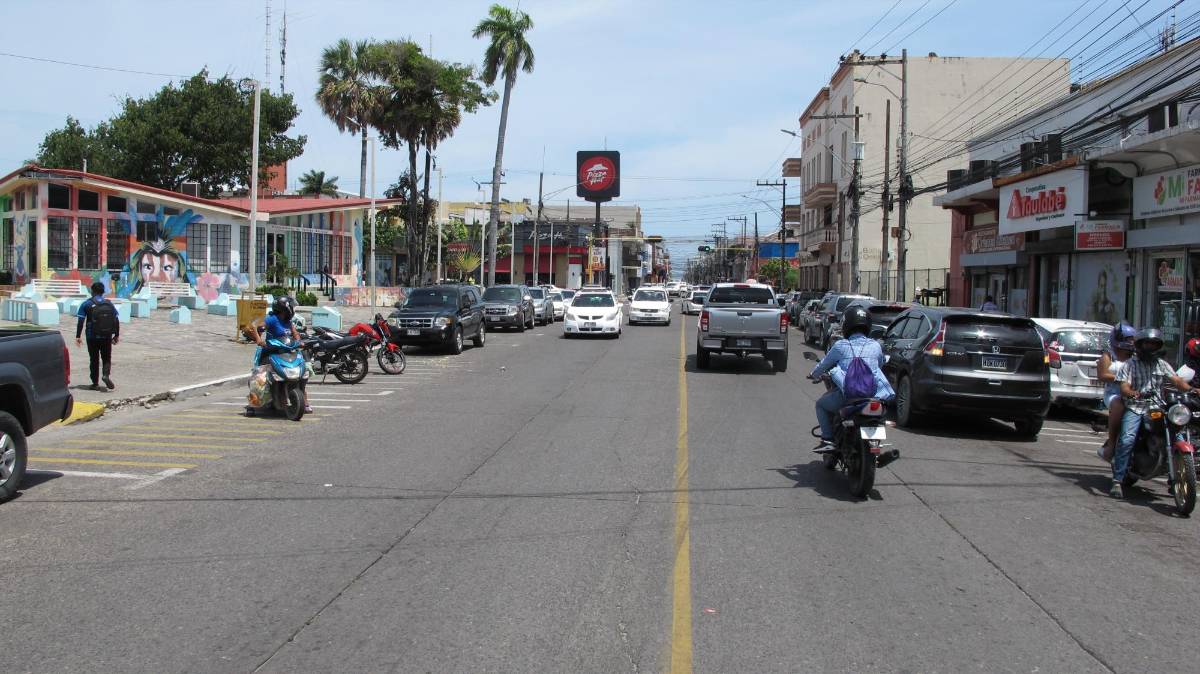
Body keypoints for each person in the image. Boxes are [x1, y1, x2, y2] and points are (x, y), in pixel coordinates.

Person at [1111, 327, 1193, 498]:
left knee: (1178, 435)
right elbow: (1124, 387)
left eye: (1154, 344)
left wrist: (1192, 389)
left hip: (1158, 406)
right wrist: (1133, 392)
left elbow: (1177, 380)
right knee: (1127, 439)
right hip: (1136, 406)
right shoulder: (1129, 364)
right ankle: (1117, 480)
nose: (1151, 347)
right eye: (1147, 343)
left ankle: (1176, 479)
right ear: (1140, 345)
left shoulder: (1161, 364)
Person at [809, 306, 895, 453]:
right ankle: (875, 445)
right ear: (867, 325)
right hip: (873, 396)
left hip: (848, 396)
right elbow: (879, 365)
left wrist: (814, 374)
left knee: (821, 406)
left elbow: (823, 365)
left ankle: (828, 439)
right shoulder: (875, 346)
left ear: (846, 325)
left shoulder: (840, 345)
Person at [253, 296, 311, 414]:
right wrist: (259, 340)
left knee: (304, 372)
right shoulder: (272, 319)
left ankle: (304, 402)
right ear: (285, 308)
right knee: (261, 378)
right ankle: (254, 403)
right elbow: (254, 326)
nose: (292, 309)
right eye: (291, 306)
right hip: (271, 352)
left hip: (287, 351)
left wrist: (299, 341)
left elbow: (295, 334)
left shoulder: (288, 322)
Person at [1096, 321, 1136, 461]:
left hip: (1134, 394)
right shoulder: (1109, 355)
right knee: (1118, 404)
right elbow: (1102, 375)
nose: (1130, 342)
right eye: (1127, 339)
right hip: (1114, 394)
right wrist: (1123, 379)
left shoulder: (1136, 356)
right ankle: (1112, 443)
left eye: (1132, 339)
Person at [75, 281, 119, 391]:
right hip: (106, 336)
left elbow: (81, 320)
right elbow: (116, 319)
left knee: (94, 359)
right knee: (106, 358)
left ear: (92, 291)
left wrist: (78, 336)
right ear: (103, 292)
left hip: (91, 336)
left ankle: (95, 383)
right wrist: (116, 335)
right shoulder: (108, 303)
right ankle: (106, 376)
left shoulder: (87, 304)